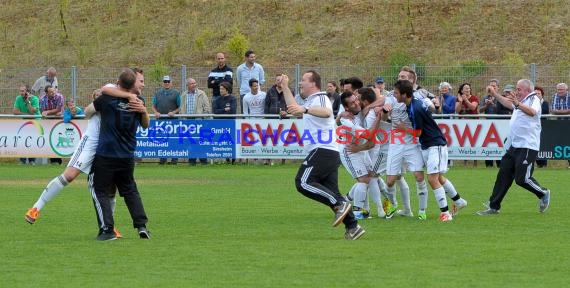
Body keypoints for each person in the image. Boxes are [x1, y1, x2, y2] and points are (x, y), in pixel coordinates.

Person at [24, 88, 137, 238]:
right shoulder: (94, 108)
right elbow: (83, 111)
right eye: (96, 96)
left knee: (110, 189)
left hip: (105, 150)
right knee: (68, 176)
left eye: (101, 96)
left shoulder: (113, 107)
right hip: (89, 145)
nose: (99, 98)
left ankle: (109, 226)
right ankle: (35, 208)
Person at [280, 70, 365, 240]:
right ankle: (353, 227)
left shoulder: (320, 97)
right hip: (328, 152)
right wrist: (284, 87)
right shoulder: (310, 102)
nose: (300, 83)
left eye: (303, 80)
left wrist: (304, 108)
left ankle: (340, 204)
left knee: (302, 182)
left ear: (313, 83)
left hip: (323, 150)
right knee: (332, 191)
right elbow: (294, 110)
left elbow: (326, 112)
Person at [86, 68, 151, 241]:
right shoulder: (139, 101)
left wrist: (97, 104)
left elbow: (87, 111)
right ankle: (141, 226)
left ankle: (107, 230)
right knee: (130, 190)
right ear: (132, 85)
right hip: (127, 155)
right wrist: (143, 110)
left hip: (106, 154)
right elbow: (145, 125)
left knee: (99, 189)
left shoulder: (107, 99)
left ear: (118, 82)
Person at [393, 79, 467, 221]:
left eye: (396, 93)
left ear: (404, 94)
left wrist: (403, 129)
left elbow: (418, 132)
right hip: (428, 144)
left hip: (435, 144)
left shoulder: (415, 108)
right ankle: (459, 202)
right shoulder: (411, 105)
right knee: (438, 177)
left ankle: (445, 213)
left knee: (432, 179)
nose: (395, 95)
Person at [477, 79, 550, 215]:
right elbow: (509, 103)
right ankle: (494, 207)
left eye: (519, 89)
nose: (516, 92)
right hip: (514, 146)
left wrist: (517, 103)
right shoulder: (520, 102)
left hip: (528, 146)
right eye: (516, 89)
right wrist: (495, 94)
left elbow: (533, 112)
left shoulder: (534, 98)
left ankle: (543, 193)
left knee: (522, 179)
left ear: (527, 90)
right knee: (503, 174)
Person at [337, 90, 382, 220]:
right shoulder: (347, 120)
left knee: (371, 177)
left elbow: (379, 96)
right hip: (350, 151)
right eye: (352, 103)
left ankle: (350, 200)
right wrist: (378, 117)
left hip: (361, 149)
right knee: (364, 180)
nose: (357, 103)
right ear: (347, 107)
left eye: (356, 99)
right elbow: (368, 135)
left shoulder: (358, 111)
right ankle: (357, 212)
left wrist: (377, 107)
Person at [180, 77, 211, 165]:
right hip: (188, 122)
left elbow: (207, 108)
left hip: (199, 121)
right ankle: (192, 161)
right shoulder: (183, 95)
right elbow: (181, 108)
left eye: (195, 83)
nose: (194, 85)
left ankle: (203, 161)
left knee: (200, 142)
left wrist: (203, 118)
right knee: (190, 142)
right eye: (192, 83)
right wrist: (183, 118)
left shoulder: (202, 94)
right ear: (187, 85)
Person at [13, 85, 40, 165]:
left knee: (32, 141)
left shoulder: (35, 99)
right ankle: (22, 160)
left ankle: (32, 160)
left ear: (27, 92)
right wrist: (26, 115)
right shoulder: (18, 98)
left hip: (35, 122)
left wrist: (28, 101)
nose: (21, 93)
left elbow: (32, 112)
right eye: (20, 91)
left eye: (23, 91)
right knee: (22, 140)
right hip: (25, 121)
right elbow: (15, 112)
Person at [480, 79, 502, 168]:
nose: (491, 88)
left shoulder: (501, 98)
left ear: (498, 88)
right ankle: (488, 165)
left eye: (494, 86)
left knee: (499, 145)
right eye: (490, 86)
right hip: (488, 125)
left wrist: (492, 104)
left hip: (499, 125)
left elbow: (500, 111)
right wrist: (486, 105)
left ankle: (499, 164)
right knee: (488, 145)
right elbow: (479, 110)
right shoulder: (485, 98)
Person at [40, 85, 64, 165]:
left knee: (57, 140)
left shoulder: (59, 96)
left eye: (54, 91)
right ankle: (52, 161)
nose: (53, 93)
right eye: (51, 92)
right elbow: (43, 112)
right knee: (50, 140)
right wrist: (50, 112)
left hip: (59, 122)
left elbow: (58, 109)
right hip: (48, 122)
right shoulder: (42, 99)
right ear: (46, 93)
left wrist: (48, 112)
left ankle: (58, 160)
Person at [214, 81, 237, 164]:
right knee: (221, 142)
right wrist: (224, 110)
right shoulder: (217, 100)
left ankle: (233, 159)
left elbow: (232, 111)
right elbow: (215, 111)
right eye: (220, 89)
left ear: (227, 90)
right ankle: (223, 158)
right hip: (220, 123)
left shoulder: (233, 99)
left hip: (230, 123)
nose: (221, 90)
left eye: (222, 89)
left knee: (231, 141)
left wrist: (223, 111)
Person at [550, 83, 570, 168]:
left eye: (561, 89)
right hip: (560, 124)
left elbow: (556, 111)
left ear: (566, 90)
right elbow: (553, 110)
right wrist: (566, 112)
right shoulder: (555, 96)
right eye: (558, 89)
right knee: (564, 143)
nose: (559, 91)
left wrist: (559, 112)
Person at [534, 86, 549, 168]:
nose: (537, 95)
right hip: (534, 127)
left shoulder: (545, 103)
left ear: (542, 95)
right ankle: (538, 163)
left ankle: (543, 163)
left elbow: (545, 111)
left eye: (538, 93)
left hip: (543, 126)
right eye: (535, 93)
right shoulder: (531, 103)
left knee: (543, 144)